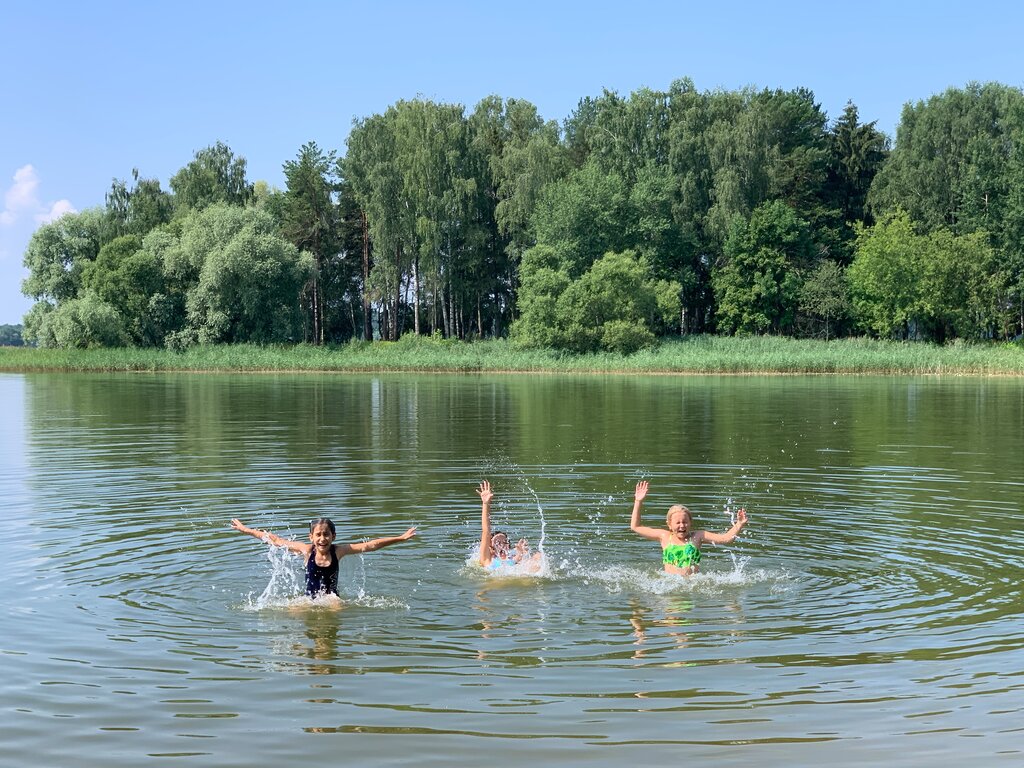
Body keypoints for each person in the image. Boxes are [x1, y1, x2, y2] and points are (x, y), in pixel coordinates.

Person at [230, 517, 416, 598]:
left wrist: (400, 538)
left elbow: (370, 545)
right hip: (308, 599)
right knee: (292, 611)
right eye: (318, 535)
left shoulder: (339, 551)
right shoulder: (306, 550)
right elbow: (275, 540)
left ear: (333, 536)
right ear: (311, 537)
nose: (322, 539)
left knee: (336, 608)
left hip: (332, 599)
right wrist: (246, 530)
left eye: (326, 534)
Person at [628, 480, 748, 575]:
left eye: (685, 522)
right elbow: (635, 526)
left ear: (690, 522)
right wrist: (638, 501)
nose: (682, 526)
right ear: (669, 525)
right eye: (677, 523)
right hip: (668, 586)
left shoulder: (698, 536)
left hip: (690, 586)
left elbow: (726, 539)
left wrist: (739, 524)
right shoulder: (664, 536)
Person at [476, 480, 540, 572]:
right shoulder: (487, 560)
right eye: (498, 542)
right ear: (490, 547)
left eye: (505, 542)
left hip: (515, 577)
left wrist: (522, 554)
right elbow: (486, 531)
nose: (502, 545)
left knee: (538, 556)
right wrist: (486, 504)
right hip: (495, 583)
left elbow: (520, 561)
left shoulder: (512, 559)